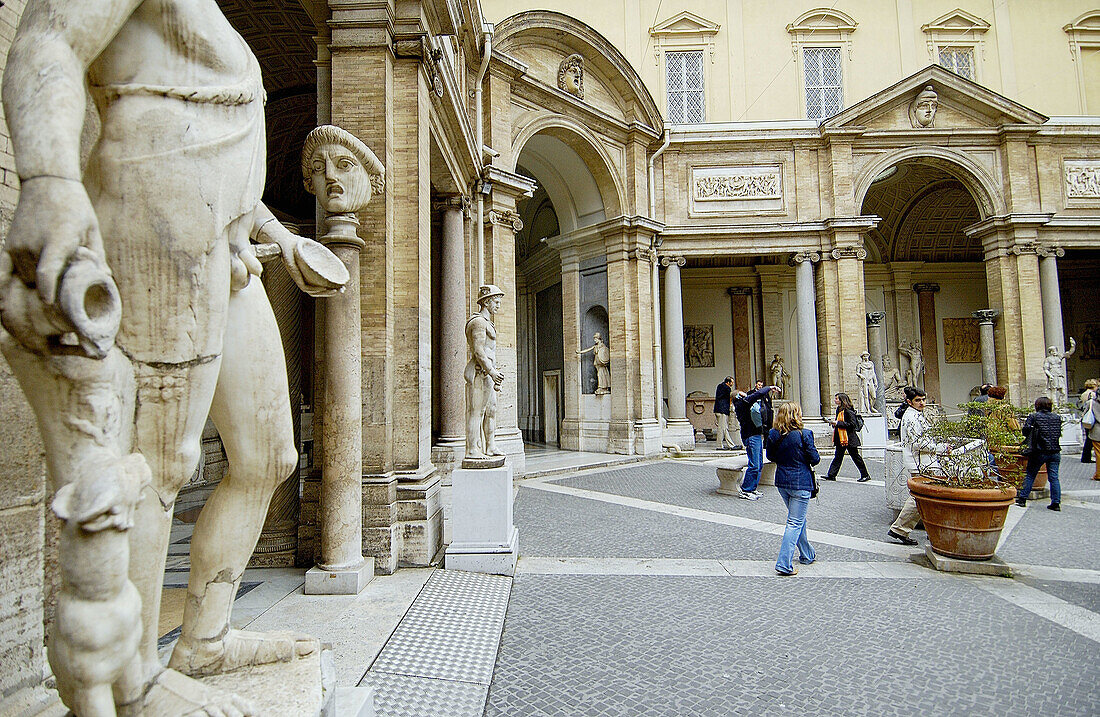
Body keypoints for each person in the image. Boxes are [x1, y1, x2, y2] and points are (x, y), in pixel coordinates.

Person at [0, 1, 339, 713]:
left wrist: (283, 234)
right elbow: (48, 44)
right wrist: (49, 182)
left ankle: (205, 639)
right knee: (158, 459)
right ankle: (134, 686)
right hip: (160, 198)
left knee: (268, 455)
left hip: (228, 233)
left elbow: (227, 122)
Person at [766, 402, 820, 575]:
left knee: (797, 519)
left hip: (782, 481)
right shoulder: (804, 434)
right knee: (795, 522)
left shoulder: (774, 434)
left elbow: (770, 455)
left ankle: (807, 554)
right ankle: (784, 563)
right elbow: (815, 458)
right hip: (800, 482)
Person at [465, 285, 506, 459]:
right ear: (487, 302)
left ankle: (490, 446)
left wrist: (494, 373)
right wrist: (491, 371)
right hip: (481, 372)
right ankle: (472, 448)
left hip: (489, 374)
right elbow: (478, 351)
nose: (498, 306)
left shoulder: (487, 323)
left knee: (491, 410)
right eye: (496, 302)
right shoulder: (478, 323)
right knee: (477, 412)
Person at [888, 387, 931, 545]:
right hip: (919, 462)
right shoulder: (911, 417)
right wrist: (939, 447)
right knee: (920, 497)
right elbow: (918, 443)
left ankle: (902, 529)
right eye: (918, 400)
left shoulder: (916, 415)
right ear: (909, 402)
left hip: (922, 461)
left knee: (925, 497)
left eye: (923, 399)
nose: (922, 403)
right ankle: (900, 528)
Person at [733, 382, 778, 500]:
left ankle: (752, 488)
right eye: (743, 394)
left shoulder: (744, 403)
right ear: (738, 396)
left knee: (759, 464)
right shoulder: (742, 404)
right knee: (754, 465)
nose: (746, 395)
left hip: (755, 435)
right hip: (751, 436)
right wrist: (770, 388)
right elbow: (756, 395)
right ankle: (746, 490)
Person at [1017, 396, 1062, 510]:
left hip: (1039, 450)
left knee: (1031, 474)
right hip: (1055, 450)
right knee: (1054, 477)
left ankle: (1022, 498)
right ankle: (1056, 502)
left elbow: (1025, 431)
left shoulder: (1034, 416)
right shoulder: (1057, 417)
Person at [824, 393, 871, 482]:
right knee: (838, 456)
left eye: (837, 399)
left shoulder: (848, 411)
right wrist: (834, 424)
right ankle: (831, 474)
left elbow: (852, 424)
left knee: (856, 457)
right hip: (841, 438)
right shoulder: (839, 410)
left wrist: (837, 423)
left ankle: (865, 474)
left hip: (849, 438)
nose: (835, 400)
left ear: (842, 400)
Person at [1043, 339, 1077, 405]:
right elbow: (1046, 369)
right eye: (1053, 351)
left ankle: (1062, 404)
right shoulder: (1048, 359)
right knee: (1054, 390)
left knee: (1063, 391)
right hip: (1053, 375)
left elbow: (1069, 353)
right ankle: (1055, 405)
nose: (1055, 352)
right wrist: (1050, 375)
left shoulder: (1059, 357)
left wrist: (1073, 346)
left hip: (1059, 375)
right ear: (1050, 352)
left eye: (1055, 350)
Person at [713, 376, 739, 450]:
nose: (732, 384)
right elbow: (730, 397)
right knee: (723, 428)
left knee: (723, 428)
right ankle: (726, 445)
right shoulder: (727, 388)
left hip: (718, 409)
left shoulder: (720, 386)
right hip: (722, 410)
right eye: (732, 382)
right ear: (728, 382)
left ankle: (723, 445)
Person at [1079, 378, 1097, 464]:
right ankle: (1087, 457)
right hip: (1091, 418)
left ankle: (1085, 456)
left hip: (1085, 418)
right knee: (1090, 439)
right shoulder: (1092, 394)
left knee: (1087, 438)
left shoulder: (1083, 394)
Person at [1087, 386, 1100, 481]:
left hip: (1097, 431)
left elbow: (1085, 414)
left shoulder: (1092, 403)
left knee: (1098, 454)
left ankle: (1099, 474)